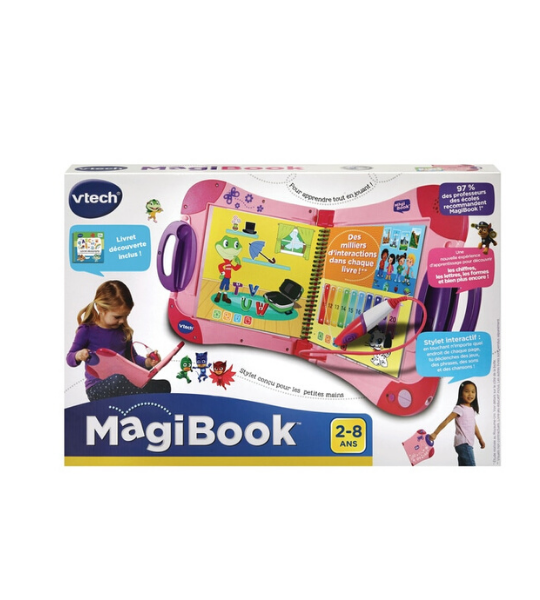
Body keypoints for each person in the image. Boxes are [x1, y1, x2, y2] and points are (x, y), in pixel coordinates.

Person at [66, 280, 171, 401]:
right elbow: (69, 358)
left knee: (164, 385)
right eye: (117, 317)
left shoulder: (123, 331)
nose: (122, 321)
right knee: (118, 379)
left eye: (126, 316)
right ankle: (143, 396)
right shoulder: (87, 330)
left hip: (125, 383)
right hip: (97, 388)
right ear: (101, 308)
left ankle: (142, 396)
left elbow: (132, 359)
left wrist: (148, 363)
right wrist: (78, 355)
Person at [429, 380, 485, 466]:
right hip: (464, 443)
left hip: (467, 444)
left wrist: (480, 439)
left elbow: (474, 425)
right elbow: (447, 420)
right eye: (467, 391)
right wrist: (435, 433)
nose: (470, 394)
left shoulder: (472, 410)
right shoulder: (460, 408)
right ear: (461, 394)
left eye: (473, 392)